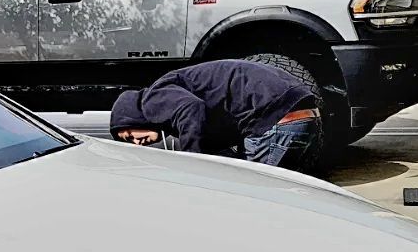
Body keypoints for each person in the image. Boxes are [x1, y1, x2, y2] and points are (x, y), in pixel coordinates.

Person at [109, 59, 322, 173]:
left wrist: (191, 164)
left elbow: (191, 108)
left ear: (132, 117)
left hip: (275, 118)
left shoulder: (150, 100)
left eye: (129, 135)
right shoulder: (173, 90)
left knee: (252, 196)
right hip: (302, 113)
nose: (136, 142)